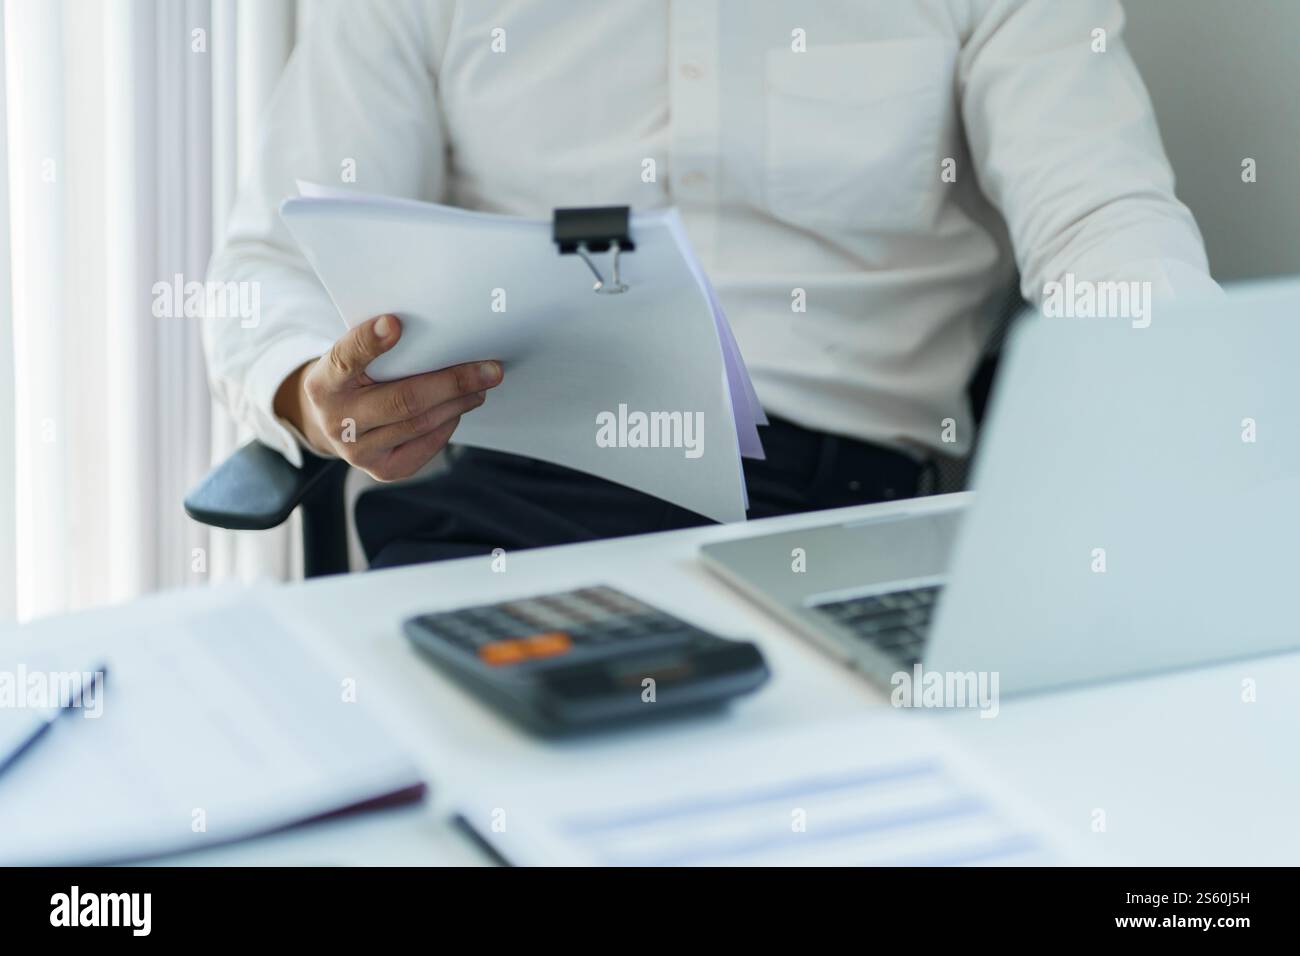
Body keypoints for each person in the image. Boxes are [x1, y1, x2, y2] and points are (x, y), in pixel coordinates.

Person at [204, 0, 1219, 569]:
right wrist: (313, 393)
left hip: (841, 522)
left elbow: (1099, 219)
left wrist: (1181, 405)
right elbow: (276, 262)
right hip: (508, 514)